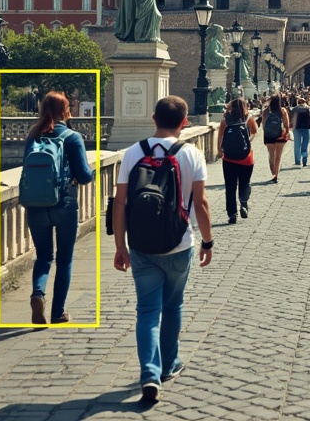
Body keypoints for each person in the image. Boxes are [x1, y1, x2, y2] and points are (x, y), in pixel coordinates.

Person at [112, 96, 214, 403]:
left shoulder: (133, 153)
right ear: (185, 122)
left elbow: (120, 203)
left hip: (141, 245)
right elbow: (201, 203)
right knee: (173, 306)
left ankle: (150, 374)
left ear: (153, 117)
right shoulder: (191, 154)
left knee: (146, 312)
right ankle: (169, 364)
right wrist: (208, 241)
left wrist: (120, 245)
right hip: (179, 244)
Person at [23, 91, 94, 325]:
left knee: (43, 257)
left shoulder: (33, 136)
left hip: (35, 205)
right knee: (64, 260)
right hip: (64, 205)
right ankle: (58, 313)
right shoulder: (72, 137)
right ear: (66, 111)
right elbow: (84, 176)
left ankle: (37, 294)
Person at [217, 97, 257, 224]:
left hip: (229, 158)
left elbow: (220, 137)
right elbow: (255, 131)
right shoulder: (248, 118)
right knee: (245, 182)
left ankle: (232, 214)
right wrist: (246, 141)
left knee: (230, 187)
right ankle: (243, 200)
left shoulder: (225, 120)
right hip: (246, 157)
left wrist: (220, 150)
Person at [262, 93, 290, 183]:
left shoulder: (266, 111)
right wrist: (287, 132)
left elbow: (263, 124)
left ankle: (273, 173)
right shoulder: (282, 110)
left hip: (269, 134)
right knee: (278, 156)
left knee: (271, 155)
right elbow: (287, 124)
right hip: (280, 134)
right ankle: (276, 175)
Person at [290, 96, 310, 167]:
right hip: (306, 127)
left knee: (297, 144)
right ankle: (305, 158)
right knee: (305, 144)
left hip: (297, 128)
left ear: (298, 102)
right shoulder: (308, 108)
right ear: (305, 102)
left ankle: (297, 161)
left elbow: (291, 117)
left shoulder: (295, 109)